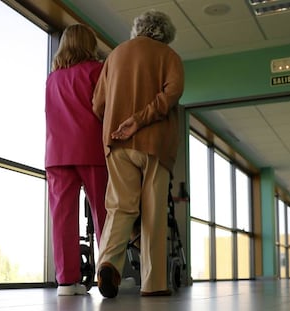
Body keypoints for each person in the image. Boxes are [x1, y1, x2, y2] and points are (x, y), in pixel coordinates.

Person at [92, 10, 184, 298]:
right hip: (156, 144)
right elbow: (172, 94)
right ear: (165, 34)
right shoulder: (169, 56)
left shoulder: (115, 56)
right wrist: (142, 118)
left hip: (117, 142)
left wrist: (120, 121)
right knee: (154, 212)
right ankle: (154, 284)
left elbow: (97, 105)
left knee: (120, 207)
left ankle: (108, 262)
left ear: (138, 30)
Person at [45, 24, 107, 296]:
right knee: (104, 213)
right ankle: (109, 274)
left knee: (62, 217)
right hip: (90, 148)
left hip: (57, 152)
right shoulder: (96, 70)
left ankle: (66, 283)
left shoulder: (52, 78)